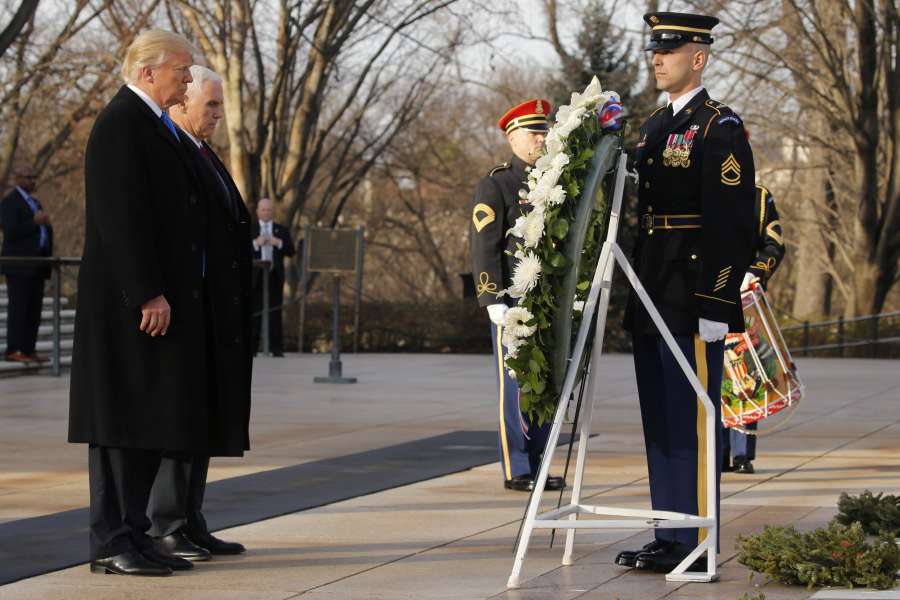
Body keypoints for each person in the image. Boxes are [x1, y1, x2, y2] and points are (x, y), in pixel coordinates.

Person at [68, 30, 249, 577]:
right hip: (130, 309)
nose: (188, 79)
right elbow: (120, 218)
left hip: (159, 307)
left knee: (148, 425)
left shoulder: (157, 126)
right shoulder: (122, 124)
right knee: (122, 427)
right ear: (149, 71)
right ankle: (110, 540)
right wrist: (146, 290)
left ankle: (136, 534)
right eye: (181, 70)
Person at [617, 12, 756, 573]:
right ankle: (670, 534)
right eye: (655, 49)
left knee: (694, 420)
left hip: (692, 294)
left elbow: (732, 224)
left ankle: (697, 542)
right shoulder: (653, 126)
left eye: (668, 51)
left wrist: (718, 302)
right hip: (652, 286)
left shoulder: (717, 126)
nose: (657, 58)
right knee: (662, 419)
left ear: (698, 57)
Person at [147, 64, 252, 559]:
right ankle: (165, 522)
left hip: (216, 309)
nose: (217, 115)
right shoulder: (175, 153)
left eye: (219, 105)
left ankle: (190, 519)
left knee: (205, 418)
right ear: (181, 103)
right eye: (209, 105)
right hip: (187, 308)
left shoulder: (204, 153)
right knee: (180, 419)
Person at [469, 98, 565, 493]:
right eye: (532, 132)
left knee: (545, 382)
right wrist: (491, 297)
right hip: (512, 301)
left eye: (543, 131)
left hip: (548, 300)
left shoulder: (555, 178)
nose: (540, 138)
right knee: (515, 386)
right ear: (512, 137)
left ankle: (541, 461)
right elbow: (484, 244)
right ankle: (518, 465)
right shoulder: (497, 183)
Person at [722, 184, 785, 475]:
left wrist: (755, 272)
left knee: (744, 373)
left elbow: (774, 244)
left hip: (744, 296)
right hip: (704, 293)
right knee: (712, 375)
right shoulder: (701, 187)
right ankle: (718, 451)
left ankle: (741, 453)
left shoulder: (759, 196)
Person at [1, 164, 53, 363]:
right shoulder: (9, 203)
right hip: (19, 266)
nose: (33, 180)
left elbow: (43, 229)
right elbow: (11, 232)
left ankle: (28, 349)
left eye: (34, 176)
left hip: (37, 265)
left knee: (33, 310)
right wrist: (35, 223)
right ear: (18, 179)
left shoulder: (35, 203)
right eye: (29, 177)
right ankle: (14, 349)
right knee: (19, 308)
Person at [251, 198, 294, 356]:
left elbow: (291, 251)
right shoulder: (251, 229)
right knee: (254, 312)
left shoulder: (281, 230)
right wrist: (256, 243)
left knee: (275, 312)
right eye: (263, 210)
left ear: (272, 212)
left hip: (274, 275)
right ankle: (252, 349)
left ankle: (276, 348)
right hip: (256, 277)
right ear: (257, 211)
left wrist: (279, 243)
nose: (266, 212)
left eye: (269, 210)